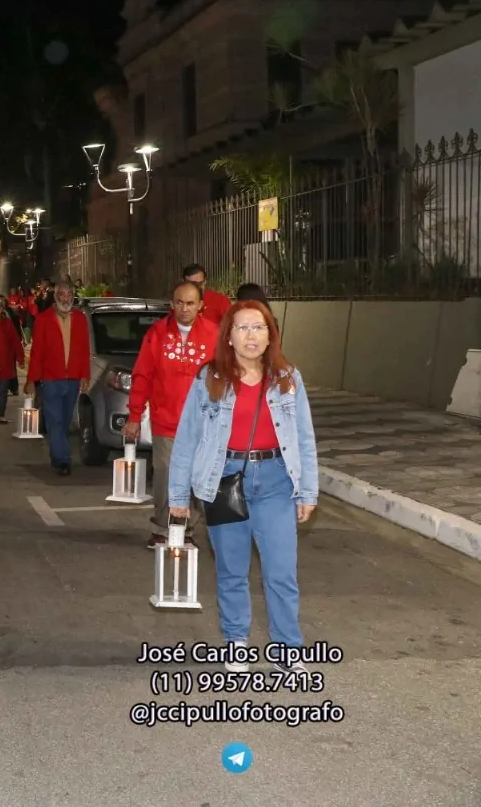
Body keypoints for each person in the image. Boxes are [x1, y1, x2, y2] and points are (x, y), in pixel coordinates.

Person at [168, 300, 318, 675]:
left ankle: (287, 647)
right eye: (243, 328)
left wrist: (308, 491)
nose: (251, 336)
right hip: (224, 479)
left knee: (281, 571)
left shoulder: (288, 378)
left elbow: (304, 438)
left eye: (259, 328)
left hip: (276, 482)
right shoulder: (210, 378)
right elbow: (187, 440)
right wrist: (178, 497)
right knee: (232, 570)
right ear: (229, 337)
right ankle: (236, 642)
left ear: (271, 335)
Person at [124, 281, 219, 548]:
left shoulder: (214, 335)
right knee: (166, 475)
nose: (184, 308)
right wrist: (134, 415)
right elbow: (142, 375)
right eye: (179, 302)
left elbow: (227, 378)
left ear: (201, 305)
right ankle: (162, 530)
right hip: (166, 421)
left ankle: (186, 530)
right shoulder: (157, 334)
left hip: (203, 425)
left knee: (198, 478)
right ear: (171, 304)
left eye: (190, 303)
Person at [25, 282, 90, 476]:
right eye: (62, 294)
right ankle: (62, 460)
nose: (66, 298)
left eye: (69, 294)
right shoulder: (44, 320)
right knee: (55, 421)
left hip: (72, 379)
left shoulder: (80, 319)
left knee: (65, 419)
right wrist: (31, 379)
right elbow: (37, 353)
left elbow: (84, 350)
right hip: (51, 379)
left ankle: (57, 454)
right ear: (55, 297)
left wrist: (85, 375)